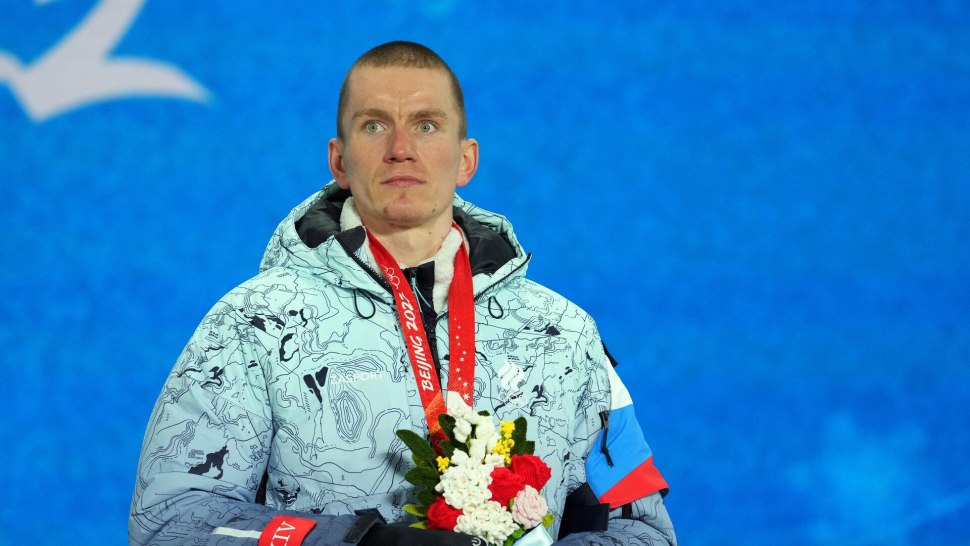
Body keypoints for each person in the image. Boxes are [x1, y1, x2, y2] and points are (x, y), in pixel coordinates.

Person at [129, 41, 677, 546]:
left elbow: (643, 528)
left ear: (467, 159)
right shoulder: (253, 323)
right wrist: (363, 543)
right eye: (373, 125)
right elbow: (168, 521)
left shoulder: (565, 334)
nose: (400, 149)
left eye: (426, 125)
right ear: (339, 160)